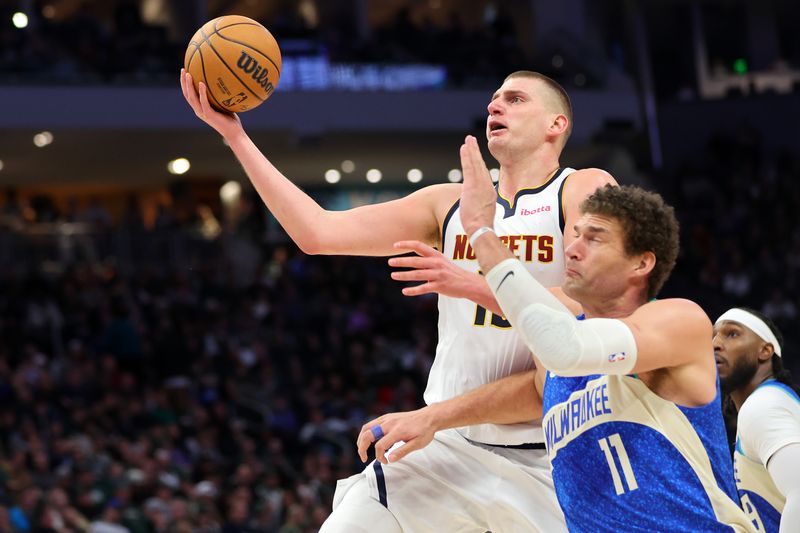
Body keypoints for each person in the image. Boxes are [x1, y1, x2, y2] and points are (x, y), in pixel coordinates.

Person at [181, 69, 615, 532]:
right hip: (445, 446)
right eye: (492, 100)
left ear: (556, 124)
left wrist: (471, 284)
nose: (495, 106)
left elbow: (588, 310)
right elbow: (317, 232)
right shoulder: (448, 202)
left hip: (550, 458)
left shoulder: (581, 188)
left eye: (514, 99)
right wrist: (235, 136)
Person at [359, 140, 753, 531]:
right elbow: (532, 387)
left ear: (641, 262)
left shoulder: (677, 322)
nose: (573, 249)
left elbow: (566, 347)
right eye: (574, 235)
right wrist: (431, 417)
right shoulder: (555, 367)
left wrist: (482, 233)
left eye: (593, 238)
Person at [713, 307, 800, 532]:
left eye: (732, 334)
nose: (715, 344)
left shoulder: (762, 405)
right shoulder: (772, 402)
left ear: (765, 351)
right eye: (713, 336)